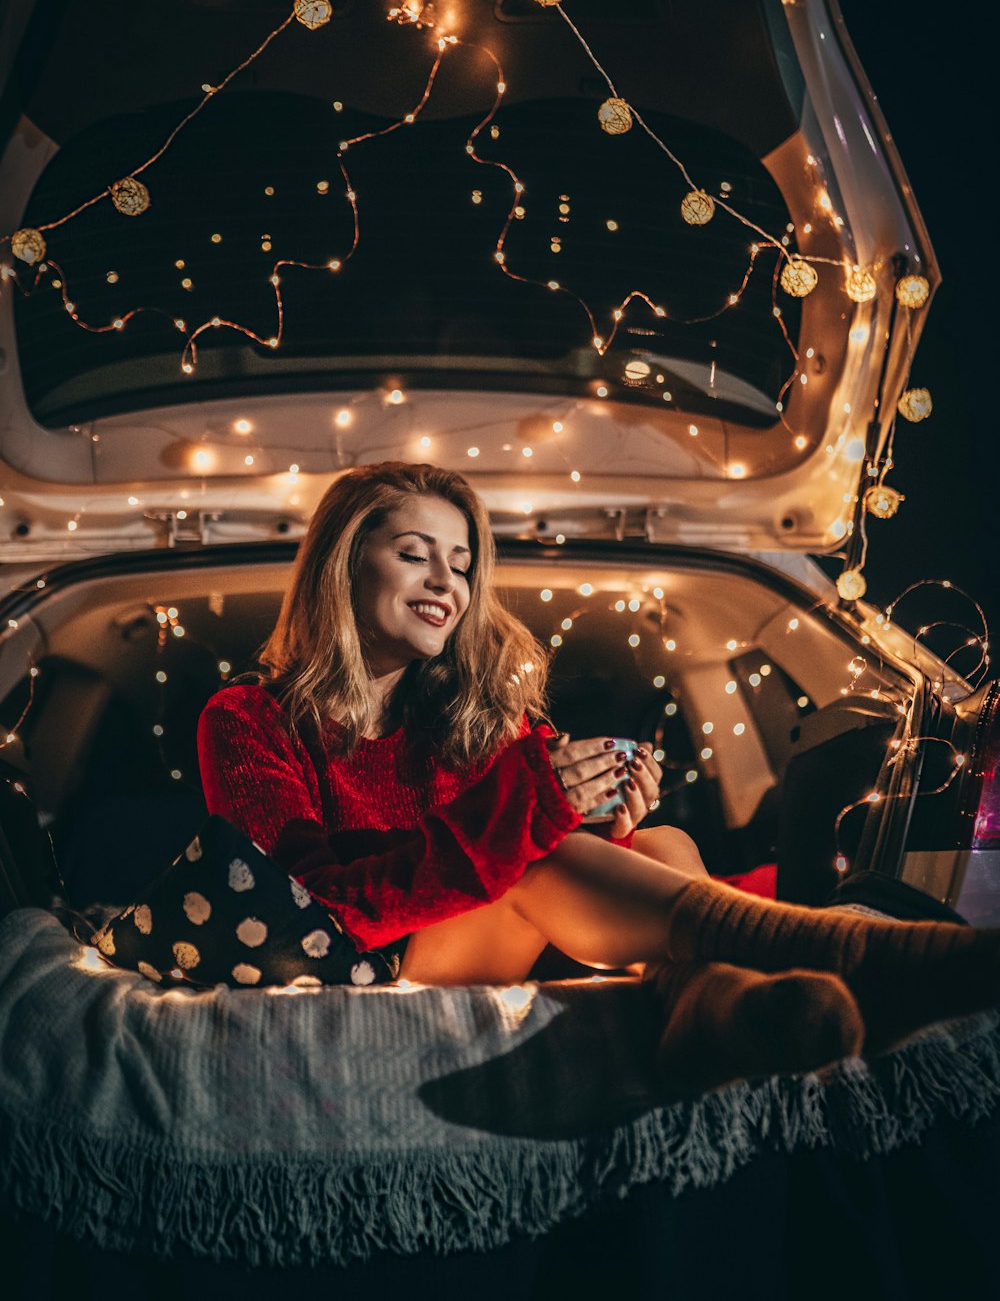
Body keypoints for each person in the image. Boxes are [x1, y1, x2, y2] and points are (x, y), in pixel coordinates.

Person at [198, 461, 1000, 1094]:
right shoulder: (248, 720)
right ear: (342, 566)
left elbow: (548, 851)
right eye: (415, 555)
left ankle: (714, 1000)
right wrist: (533, 816)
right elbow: (320, 911)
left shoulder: (477, 714)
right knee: (532, 860)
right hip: (366, 968)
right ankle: (867, 954)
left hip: (493, 940)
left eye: (462, 563)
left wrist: (603, 816)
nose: (448, 581)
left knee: (665, 835)